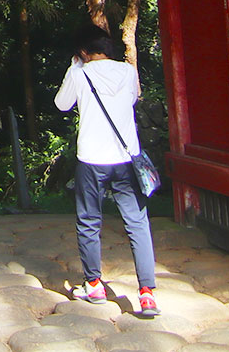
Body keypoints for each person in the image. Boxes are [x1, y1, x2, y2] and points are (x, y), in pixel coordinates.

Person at [54, 25, 159, 317]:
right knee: (137, 223)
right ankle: (147, 293)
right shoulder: (127, 71)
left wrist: (74, 67)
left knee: (89, 221)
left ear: (83, 51)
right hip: (125, 158)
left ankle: (94, 284)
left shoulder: (79, 72)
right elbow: (132, 100)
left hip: (91, 158)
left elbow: (62, 105)